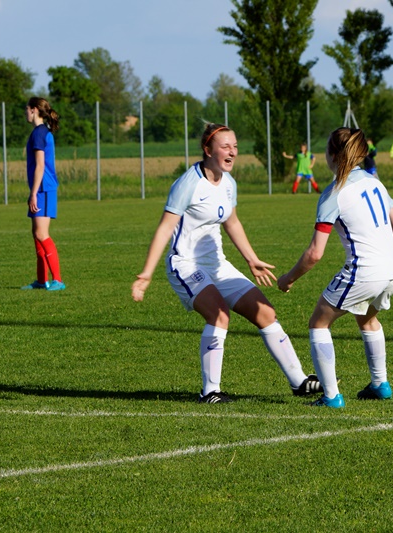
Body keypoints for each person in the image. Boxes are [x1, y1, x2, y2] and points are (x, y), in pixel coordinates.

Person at [132, 123, 323, 403]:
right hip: (186, 265)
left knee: (265, 312)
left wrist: (252, 259)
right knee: (220, 315)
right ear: (208, 150)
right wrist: (147, 274)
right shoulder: (188, 184)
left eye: (235, 146)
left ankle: (299, 382)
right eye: (225, 147)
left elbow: (232, 222)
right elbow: (164, 229)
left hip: (217, 264)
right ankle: (210, 392)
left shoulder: (229, 183)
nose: (232, 152)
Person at [277, 127, 393, 408]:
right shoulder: (374, 182)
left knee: (318, 323)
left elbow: (314, 254)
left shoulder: (334, 192)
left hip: (366, 270)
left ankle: (332, 396)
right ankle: (380, 384)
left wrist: (288, 278)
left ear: (332, 155)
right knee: (367, 319)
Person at [21, 97, 65, 291]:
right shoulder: (39, 132)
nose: (25, 112)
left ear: (34, 110)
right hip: (40, 189)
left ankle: (58, 281)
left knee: (41, 233)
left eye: (27, 109)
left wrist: (33, 193)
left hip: (43, 189)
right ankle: (41, 281)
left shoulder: (39, 133)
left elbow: (40, 166)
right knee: (36, 234)